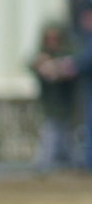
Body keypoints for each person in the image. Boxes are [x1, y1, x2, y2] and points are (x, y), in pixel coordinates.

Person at [32, 20, 81, 171]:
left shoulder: (69, 53)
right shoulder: (43, 54)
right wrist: (42, 66)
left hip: (67, 105)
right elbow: (31, 64)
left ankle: (77, 165)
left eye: (55, 38)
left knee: (68, 137)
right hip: (50, 105)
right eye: (49, 38)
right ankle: (43, 166)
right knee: (50, 135)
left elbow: (75, 67)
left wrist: (61, 70)